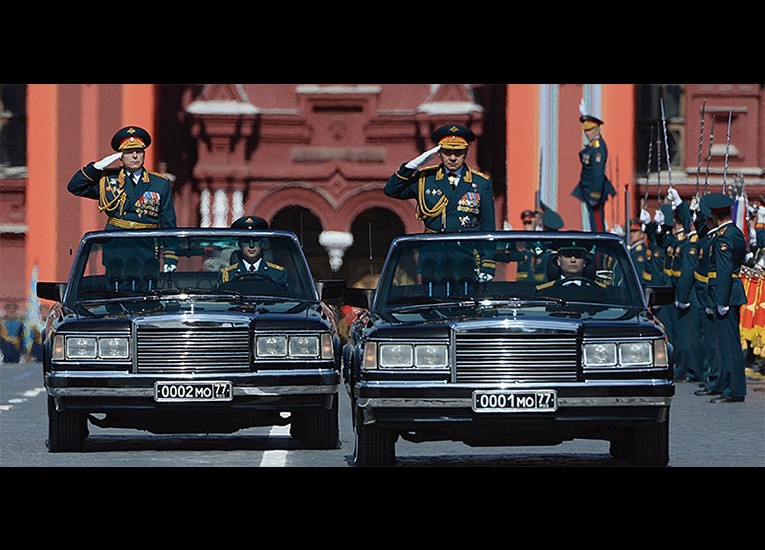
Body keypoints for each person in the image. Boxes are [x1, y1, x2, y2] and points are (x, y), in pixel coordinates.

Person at [385, 123, 496, 280]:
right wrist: (412, 165)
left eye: (458, 152)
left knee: (464, 303)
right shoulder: (425, 179)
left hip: (466, 256)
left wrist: (488, 263)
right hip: (434, 255)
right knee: (433, 302)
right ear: (439, 153)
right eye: (447, 152)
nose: (452, 158)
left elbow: (488, 226)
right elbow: (391, 190)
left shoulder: (481, 183)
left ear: (465, 152)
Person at [67, 126, 179, 280]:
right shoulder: (107, 180)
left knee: (147, 292)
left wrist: (170, 254)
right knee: (115, 291)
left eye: (138, 152)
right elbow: (75, 187)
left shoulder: (159, 183)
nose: (134, 156)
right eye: (128, 152)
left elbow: (168, 221)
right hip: (116, 246)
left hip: (145, 245)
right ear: (120, 156)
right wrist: (97, 167)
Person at [703, 193, 748, 403]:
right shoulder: (730, 233)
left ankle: (734, 390)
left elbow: (724, 269)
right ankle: (727, 385)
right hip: (727, 292)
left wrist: (721, 300)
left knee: (730, 345)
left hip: (727, 294)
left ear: (713, 214)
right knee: (725, 344)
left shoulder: (726, 236)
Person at [571, 107, 616, 232]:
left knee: (597, 222)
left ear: (597, 130)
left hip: (594, 191)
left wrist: (595, 195)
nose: (587, 133)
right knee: (592, 220)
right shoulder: (592, 146)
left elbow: (598, 174)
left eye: (590, 130)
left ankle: (600, 246)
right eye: (585, 130)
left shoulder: (598, 148)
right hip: (586, 189)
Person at [219, 235, 288, 287]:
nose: (251, 245)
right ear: (239, 245)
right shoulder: (227, 275)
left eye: (256, 240)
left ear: (262, 244)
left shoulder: (278, 274)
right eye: (246, 241)